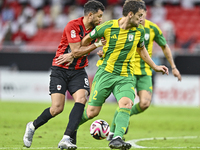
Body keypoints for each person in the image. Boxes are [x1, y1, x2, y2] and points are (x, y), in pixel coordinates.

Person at [77, 0, 168, 149]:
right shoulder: (107, 27)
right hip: (105, 73)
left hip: (126, 75)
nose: (142, 19)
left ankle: (117, 138)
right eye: (139, 16)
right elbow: (85, 40)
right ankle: (70, 129)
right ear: (130, 14)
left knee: (126, 103)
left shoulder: (139, 31)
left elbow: (142, 50)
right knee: (92, 112)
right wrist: (98, 45)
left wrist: (155, 66)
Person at [23, 1, 105, 150]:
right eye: (99, 16)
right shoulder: (72, 26)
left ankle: (67, 138)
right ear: (90, 15)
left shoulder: (97, 30)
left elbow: (78, 53)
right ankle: (32, 126)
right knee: (57, 108)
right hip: (60, 69)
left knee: (81, 99)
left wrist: (101, 51)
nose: (101, 20)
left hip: (79, 70)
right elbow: (75, 51)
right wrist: (96, 45)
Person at [107, 0, 182, 141]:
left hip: (145, 71)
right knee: (126, 102)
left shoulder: (152, 28)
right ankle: (113, 132)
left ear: (146, 13)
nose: (140, 17)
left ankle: (125, 116)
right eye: (138, 14)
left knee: (145, 103)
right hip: (128, 70)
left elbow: (164, 46)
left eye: (142, 14)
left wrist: (173, 67)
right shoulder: (125, 26)